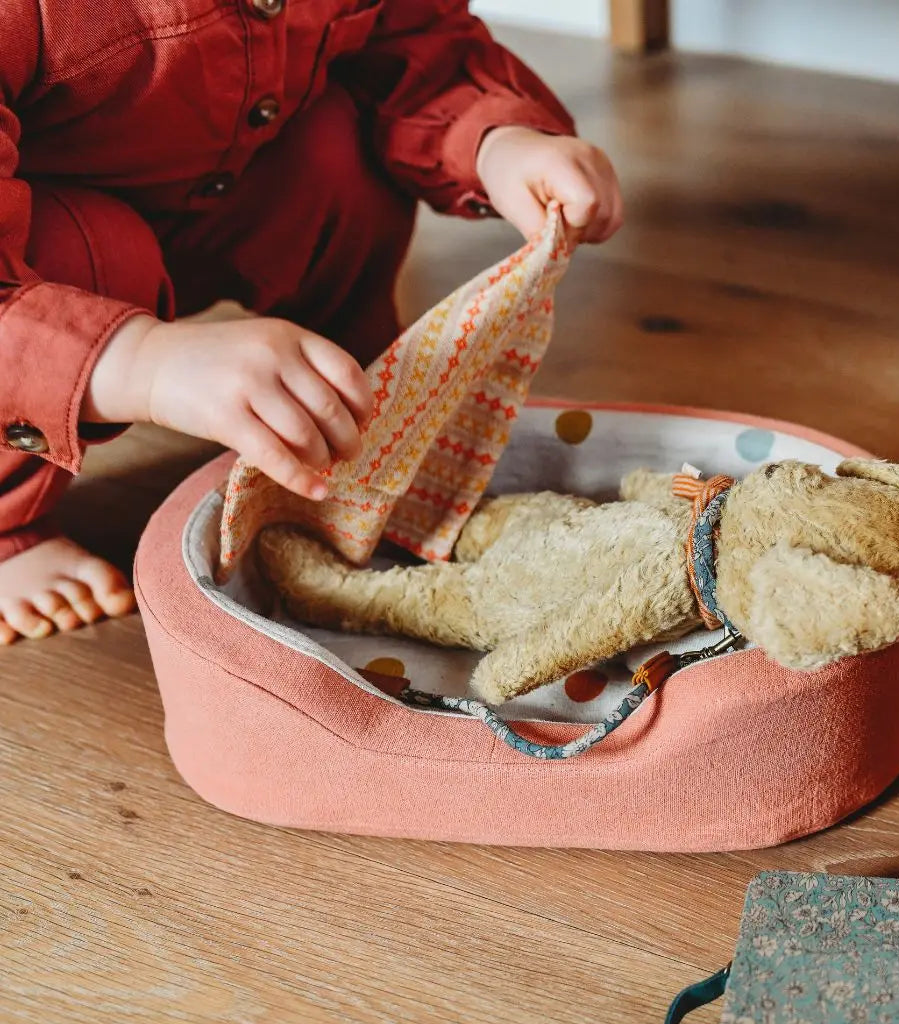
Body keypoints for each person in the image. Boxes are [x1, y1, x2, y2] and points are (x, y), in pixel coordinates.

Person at [0, 0, 623, 643]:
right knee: (98, 251)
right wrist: (144, 363)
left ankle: (352, 420)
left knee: (335, 154)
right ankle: (5, 526)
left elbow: (414, 39)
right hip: (37, 270)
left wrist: (496, 140)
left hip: (221, 177)